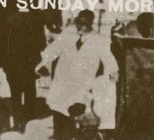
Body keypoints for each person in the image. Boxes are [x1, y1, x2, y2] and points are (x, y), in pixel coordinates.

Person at [39, 12, 117, 140]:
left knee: (76, 117)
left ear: (90, 23)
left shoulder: (99, 41)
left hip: (82, 84)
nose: (82, 27)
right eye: (79, 23)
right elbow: (50, 52)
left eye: (85, 24)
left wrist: (110, 76)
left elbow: (110, 62)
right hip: (62, 81)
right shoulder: (67, 37)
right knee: (58, 113)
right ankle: (58, 136)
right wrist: (43, 65)